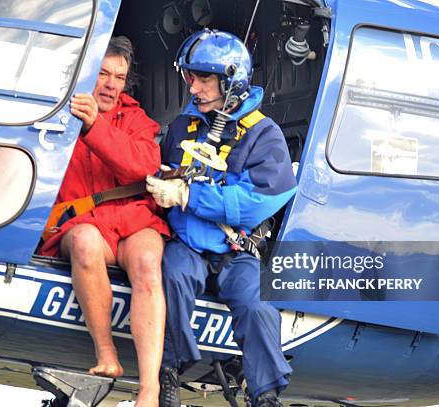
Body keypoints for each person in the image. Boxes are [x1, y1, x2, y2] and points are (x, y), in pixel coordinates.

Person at [146, 29, 296, 407]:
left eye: (203, 78)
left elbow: (260, 200)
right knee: (173, 276)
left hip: (236, 251)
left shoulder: (265, 134)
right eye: (190, 77)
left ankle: (265, 395)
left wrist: (189, 194)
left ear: (231, 80)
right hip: (188, 246)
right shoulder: (183, 127)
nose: (193, 87)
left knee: (258, 305)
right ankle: (169, 372)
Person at [40, 36, 169, 407]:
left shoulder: (138, 120)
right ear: (85, 74)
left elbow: (142, 166)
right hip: (82, 224)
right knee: (83, 241)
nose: (112, 85)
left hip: (131, 223)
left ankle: (149, 389)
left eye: (120, 76)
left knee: (147, 262)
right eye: (103, 74)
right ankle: (106, 355)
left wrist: (95, 126)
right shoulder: (60, 112)